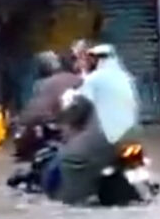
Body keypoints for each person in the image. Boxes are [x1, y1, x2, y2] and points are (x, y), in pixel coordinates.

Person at [56, 43, 140, 204]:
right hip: (133, 138)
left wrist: (67, 112)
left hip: (107, 139)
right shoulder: (126, 78)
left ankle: (78, 204)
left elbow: (77, 110)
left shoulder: (94, 80)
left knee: (71, 160)